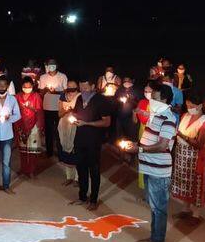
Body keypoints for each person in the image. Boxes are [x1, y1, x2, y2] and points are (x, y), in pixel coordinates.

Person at [122, 82, 177, 242]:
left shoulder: (168, 118)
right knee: (154, 207)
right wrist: (137, 144)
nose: (151, 99)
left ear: (165, 99)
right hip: (149, 167)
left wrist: (138, 149)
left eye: (154, 97)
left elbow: (162, 146)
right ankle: (154, 237)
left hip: (159, 170)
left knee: (159, 208)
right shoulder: (156, 115)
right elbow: (149, 139)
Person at [171, 92, 205, 221]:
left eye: (192, 105)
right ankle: (185, 209)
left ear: (200, 105)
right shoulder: (185, 115)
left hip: (196, 158)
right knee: (185, 183)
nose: (189, 107)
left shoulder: (204, 121)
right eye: (187, 105)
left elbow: (200, 144)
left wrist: (181, 135)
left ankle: (196, 214)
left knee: (196, 184)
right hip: (182, 156)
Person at [71, 76, 112, 210]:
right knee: (81, 169)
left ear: (93, 86)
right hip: (79, 140)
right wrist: (74, 119)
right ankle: (82, 197)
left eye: (86, 87)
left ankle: (93, 200)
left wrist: (87, 123)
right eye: (81, 87)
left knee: (93, 170)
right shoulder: (79, 98)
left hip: (93, 141)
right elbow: (76, 114)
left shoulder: (101, 100)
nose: (83, 90)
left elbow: (107, 122)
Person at [15, 77, 45, 178]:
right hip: (21, 124)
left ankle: (31, 170)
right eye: (25, 86)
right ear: (21, 86)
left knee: (32, 150)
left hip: (34, 125)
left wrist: (39, 126)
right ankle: (23, 169)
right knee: (23, 149)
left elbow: (40, 112)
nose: (27, 88)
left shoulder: (36, 96)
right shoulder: (18, 96)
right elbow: (14, 110)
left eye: (29, 86)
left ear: (33, 86)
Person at [38, 58, 68, 158]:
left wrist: (56, 92)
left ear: (57, 65)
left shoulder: (62, 76)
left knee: (59, 130)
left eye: (53, 64)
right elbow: (40, 93)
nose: (51, 66)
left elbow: (66, 92)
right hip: (47, 107)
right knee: (48, 131)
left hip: (59, 107)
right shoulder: (43, 77)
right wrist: (46, 89)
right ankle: (49, 151)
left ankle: (61, 152)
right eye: (49, 64)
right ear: (47, 66)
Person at [57, 81, 80, 186]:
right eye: (69, 86)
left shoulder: (80, 97)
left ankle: (77, 178)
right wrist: (66, 111)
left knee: (75, 150)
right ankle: (69, 177)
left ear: (77, 87)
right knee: (66, 149)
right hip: (64, 126)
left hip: (75, 126)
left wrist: (73, 111)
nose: (71, 88)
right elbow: (59, 113)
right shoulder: (63, 96)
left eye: (73, 86)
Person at [134, 83, 153, 189]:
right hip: (142, 132)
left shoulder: (158, 104)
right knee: (142, 158)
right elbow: (135, 120)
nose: (147, 93)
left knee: (151, 160)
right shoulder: (142, 102)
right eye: (145, 91)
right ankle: (143, 185)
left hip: (153, 134)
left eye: (149, 91)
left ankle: (151, 187)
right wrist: (134, 113)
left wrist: (147, 114)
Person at [116, 76, 142, 144]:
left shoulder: (137, 91)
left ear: (132, 81)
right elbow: (114, 100)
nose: (126, 83)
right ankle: (121, 152)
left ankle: (131, 152)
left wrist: (132, 100)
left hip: (131, 118)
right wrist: (118, 100)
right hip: (120, 117)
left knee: (131, 137)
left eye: (128, 81)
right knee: (120, 138)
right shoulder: (119, 90)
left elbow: (139, 104)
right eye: (124, 81)